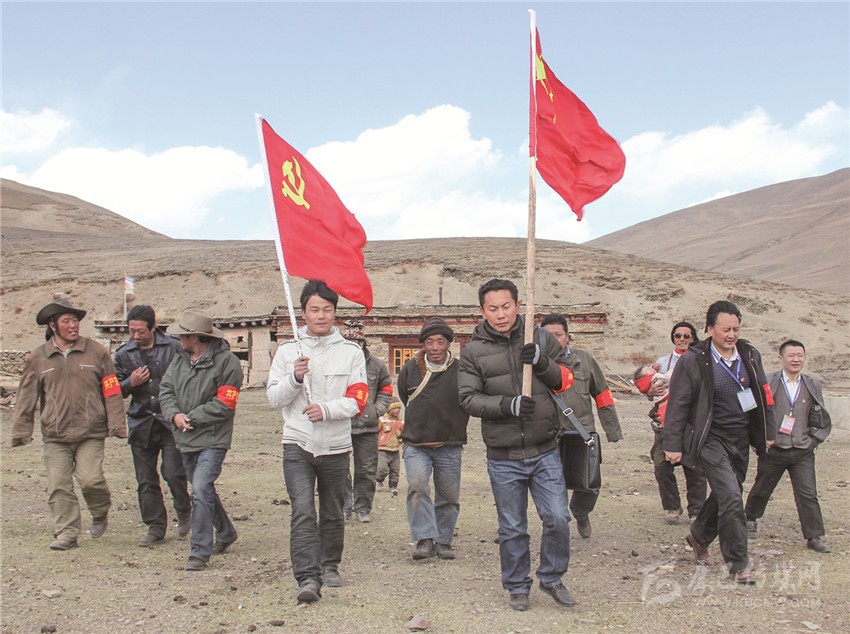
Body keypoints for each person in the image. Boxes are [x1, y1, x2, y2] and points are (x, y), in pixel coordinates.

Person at [458, 279, 576, 611]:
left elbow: (566, 379)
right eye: (493, 308)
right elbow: (467, 398)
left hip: (544, 449)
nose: (501, 314)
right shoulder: (473, 352)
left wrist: (542, 362)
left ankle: (552, 577)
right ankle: (517, 585)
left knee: (557, 518)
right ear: (482, 311)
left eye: (506, 306)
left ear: (518, 305)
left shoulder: (540, 338)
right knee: (512, 527)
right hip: (503, 455)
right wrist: (506, 405)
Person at [266, 280, 368, 604]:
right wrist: (295, 378)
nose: (321, 315)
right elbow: (273, 397)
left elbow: (357, 400)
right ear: (303, 313)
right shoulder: (288, 352)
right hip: (297, 443)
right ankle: (307, 577)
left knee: (333, 510)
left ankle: (330, 564)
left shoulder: (351, 353)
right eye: (314, 310)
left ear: (335, 313)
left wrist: (326, 410)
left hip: (336, 446)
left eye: (327, 309)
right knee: (302, 509)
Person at [663, 300, 775, 585]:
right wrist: (672, 443)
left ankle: (698, 536)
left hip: (741, 437)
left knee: (728, 494)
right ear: (710, 329)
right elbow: (678, 403)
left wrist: (767, 430)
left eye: (736, 329)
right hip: (710, 438)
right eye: (726, 329)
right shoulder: (693, 360)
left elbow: (762, 394)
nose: (731, 335)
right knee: (733, 498)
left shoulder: (749, 354)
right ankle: (739, 563)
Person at [12, 297, 127, 550]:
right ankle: (66, 533)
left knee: (90, 479)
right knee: (58, 485)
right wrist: (21, 431)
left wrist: (117, 424)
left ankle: (99, 510)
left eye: (75, 320)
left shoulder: (97, 352)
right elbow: (26, 396)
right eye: (67, 321)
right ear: (53, 325)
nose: (73, 325)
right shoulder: (38, 357)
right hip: (55, 434)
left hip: (91, 432)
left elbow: (111, 389)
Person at [159, 309, 243, 572]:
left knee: (200, 489)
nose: (178, 340)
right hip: (185, 437)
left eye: (182, 335)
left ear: (194, 337)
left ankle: (199, 551)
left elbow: (225, 403)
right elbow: (166, 390)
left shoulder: (228, 363)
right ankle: (226, 532)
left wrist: (191, 417)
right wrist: (174, 414)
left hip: (213, 438)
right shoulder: (179, 360)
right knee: (203, 490)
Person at [114, 304, 192, 547]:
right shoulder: (123, 353)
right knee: (145, 479)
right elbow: (111, 389)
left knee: (174, 472)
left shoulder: (175, 346)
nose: (136, 336)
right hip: (141, 421)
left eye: (140, 331)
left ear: (153, 327)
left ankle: (184, 510)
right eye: (132, 331)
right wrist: (130, 382)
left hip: (170, 420)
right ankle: (155, 527)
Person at [539, 313, 622, 539]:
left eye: (558, 335)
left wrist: (612, 430)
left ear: (567, 336)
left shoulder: (584, 360)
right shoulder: (535, 364)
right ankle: (558, 527)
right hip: (548, 434)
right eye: (547, 336)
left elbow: (602, 394)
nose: (553, 340)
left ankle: (580, 512)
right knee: (553, 483)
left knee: (590, 484)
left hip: (581, 431)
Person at [745, 340, 832, 553]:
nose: (796, 359)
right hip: (774, 448)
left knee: (808, 493)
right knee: (763, 487)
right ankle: (750, 519)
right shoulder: (768, 381)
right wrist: (757, 438)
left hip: (802, 449)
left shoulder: (812, 383)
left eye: (800, 355)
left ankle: (814, 536)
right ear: (781, 358)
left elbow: (819, 412)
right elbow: (747, 404)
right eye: (791, 355)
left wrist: (814, 439)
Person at [398, 317, 470, 561]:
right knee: (417, 487)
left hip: (450, 442)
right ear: (423, 344)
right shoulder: (410, 369)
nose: (435, 347)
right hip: (416, 443)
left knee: (448, 495)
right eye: (430, 342)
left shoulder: (461, 370)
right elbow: (405, 396)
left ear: (449, 343)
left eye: (440, 341)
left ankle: (443, 540)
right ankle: (424, 539)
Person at [643, 322, 707, 524]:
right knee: (661, 467)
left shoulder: (701, 360)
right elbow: (649, 390)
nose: (682, 339)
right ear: (673, 338)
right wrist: (650, 391)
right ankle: (671, 507)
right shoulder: (662, 362)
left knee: (695, 469)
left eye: (687, 336)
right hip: (665, 422)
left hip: (692, 423)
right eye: (678, 335)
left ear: (693, 338)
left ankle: (697, 510)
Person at [341, 320, 393, 524]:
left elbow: (386, 390)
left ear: (363, 343)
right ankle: (343, 507)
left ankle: (363, 508)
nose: (353, 345)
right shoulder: (335, 362)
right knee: (339, 470)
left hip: (367, 427)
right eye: (349, 341)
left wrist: (376, 411)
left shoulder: (377, 366)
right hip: (339, 425)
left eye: (357, 341)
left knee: (366, 470)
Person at [376, 402, 404, 494]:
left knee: (395, 469)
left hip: (395, 450)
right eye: (395, 408)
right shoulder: (382, 420)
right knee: (382, 468)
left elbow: (404, 435)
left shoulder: (401, 422)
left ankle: (393, 486)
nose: (397, 410)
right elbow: (375, 432)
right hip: (382, 449)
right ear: (389, 409)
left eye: (399, 408)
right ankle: (378, 480)